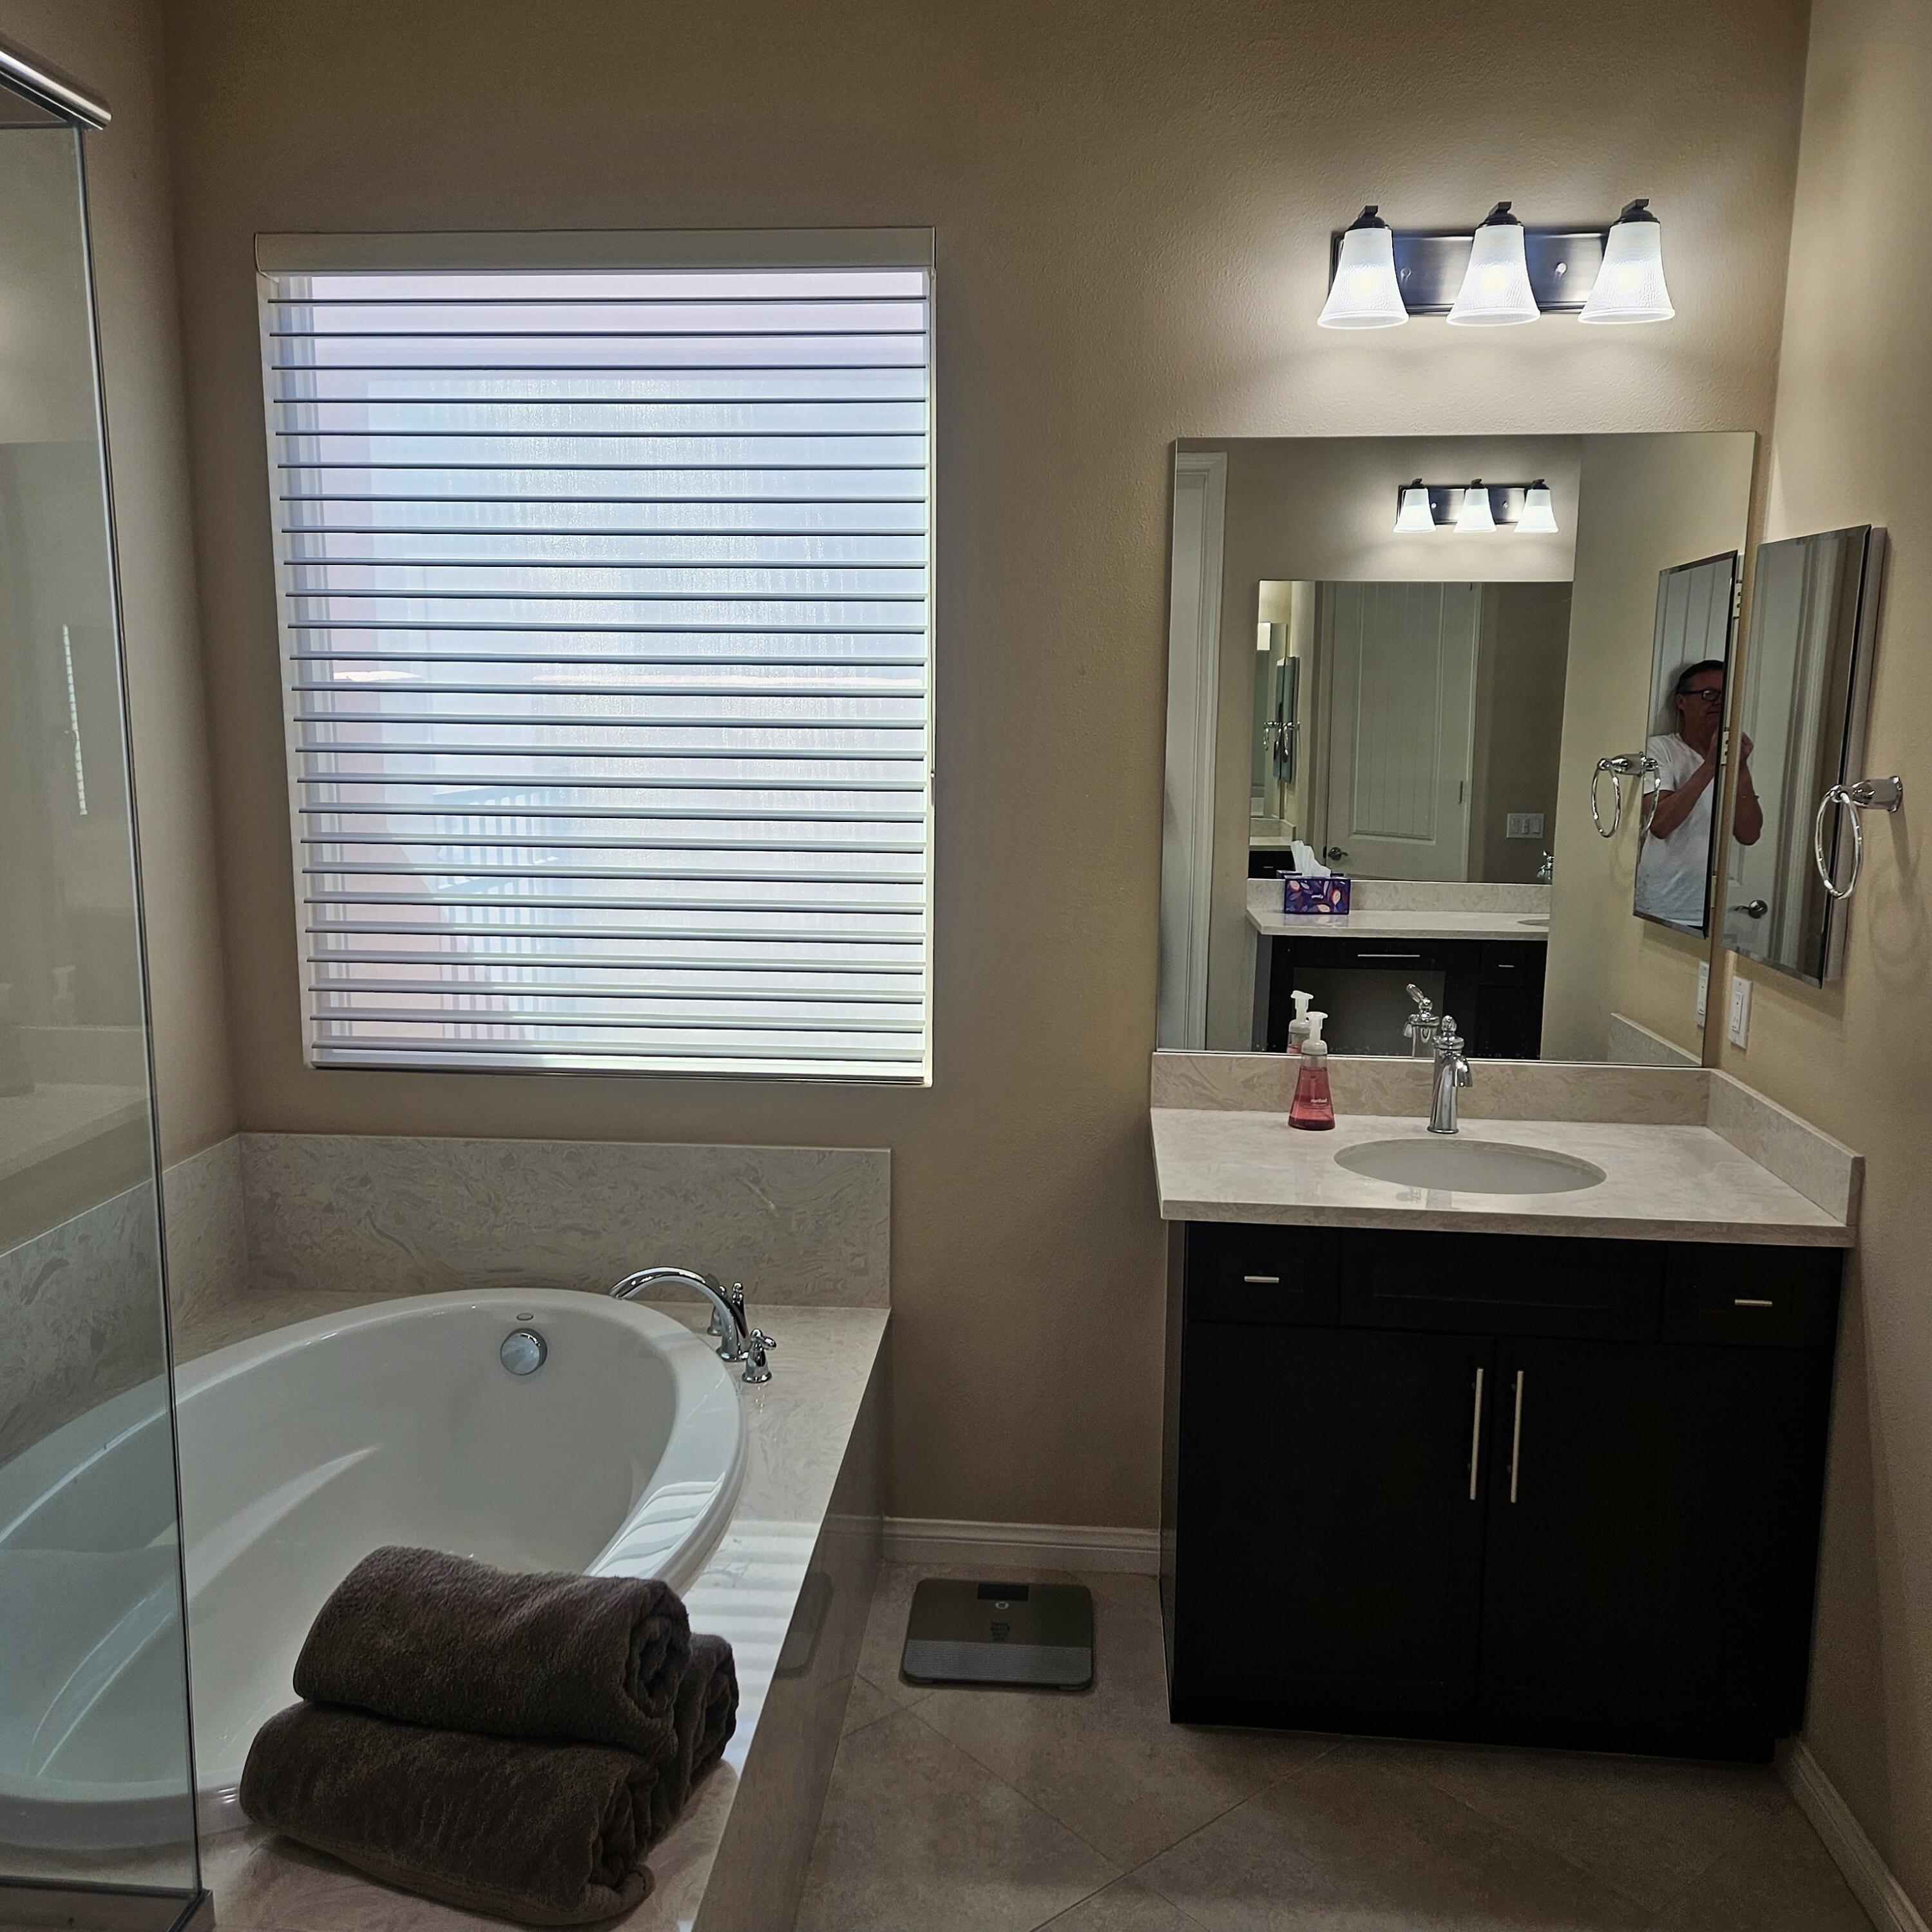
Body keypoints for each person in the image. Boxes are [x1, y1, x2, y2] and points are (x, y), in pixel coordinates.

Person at [1634, 659, 1763, 927]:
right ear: (1681, 701)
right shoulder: (1660, 749)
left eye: (1725, 695)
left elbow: (1749, 834)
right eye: (1708, 694)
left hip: (1719, 911)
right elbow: (1660, 823)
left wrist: (1739, 769)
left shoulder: (1738, 758)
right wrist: (1711, 766)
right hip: (1665, 906)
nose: (1718, 702)